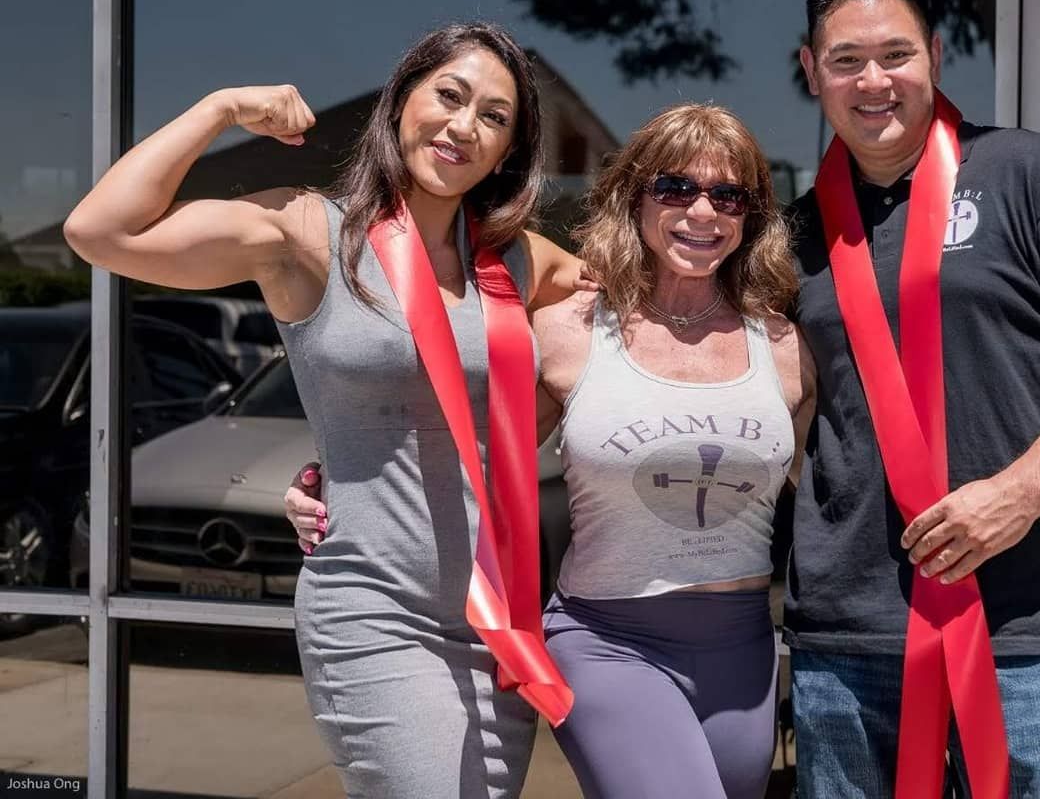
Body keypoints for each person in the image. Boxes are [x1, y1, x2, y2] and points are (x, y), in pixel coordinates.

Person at [64, 22, 594, 798]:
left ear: (509, 149)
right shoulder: (312, 232)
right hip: (374, 612)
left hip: (497, 624)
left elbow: (629, 317)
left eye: (494, 116)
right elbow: (99, 230)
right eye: (448, 95)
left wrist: (543, 409)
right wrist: (219, 109)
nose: (463, 126)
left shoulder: (517, 258)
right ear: (401, 99)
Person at [290, 103, 817, 799]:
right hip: (607, 641)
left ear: (751, 216)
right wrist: (330, 480)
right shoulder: (568, 332)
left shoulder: (786, 349)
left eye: (728, 196)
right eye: (676, 188)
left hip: (742, 651)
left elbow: (836, 486)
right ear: (635, 199)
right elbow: (463, 445)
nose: (702, 212)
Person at [783, 0, 1040, 799]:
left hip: (1026, 625)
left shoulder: (1034, 176)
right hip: (849, 630)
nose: (873, 80)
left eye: (895, 54)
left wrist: (1020, 491)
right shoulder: (791, 230)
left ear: (933, 55)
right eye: (846, 59)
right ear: (811, 69)